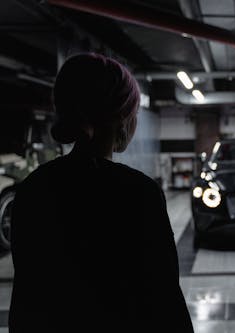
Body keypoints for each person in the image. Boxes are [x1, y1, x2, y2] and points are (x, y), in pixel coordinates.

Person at [9, 53, 194, 333]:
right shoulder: (138, 193)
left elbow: (26, 298)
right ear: (121, 119)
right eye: (134, 113)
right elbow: (165, 299)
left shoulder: (32, 189)